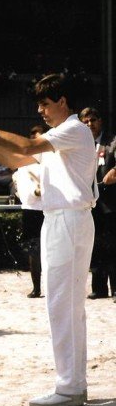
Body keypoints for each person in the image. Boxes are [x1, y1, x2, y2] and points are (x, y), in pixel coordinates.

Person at [0, 73, 97, 406]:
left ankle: (68, 386)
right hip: (63, 219)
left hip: (67, 218)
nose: (40, 111)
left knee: (62, 306)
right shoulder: (59, 139)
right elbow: (18, 159)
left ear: (63, 101)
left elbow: (26, 145)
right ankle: (73, 384)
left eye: (45, 104)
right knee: (68, 306)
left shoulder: (73, 130)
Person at [79, 107, 116, 300]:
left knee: (113, 246)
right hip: (88, 205)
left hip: (110, 204)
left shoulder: (112, 142)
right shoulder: (79, 144)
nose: (89, 124)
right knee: (94, 246)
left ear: (100, 121)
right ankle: (99, 289)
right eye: (85, 122)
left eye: (93, 120)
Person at [13, 125, 47, 298]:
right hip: (32, 210)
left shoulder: (51, 160)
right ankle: (37, 287)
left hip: (50, 209)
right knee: (34, 251)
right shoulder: (24, 165)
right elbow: (25, 193)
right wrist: (37, 191)